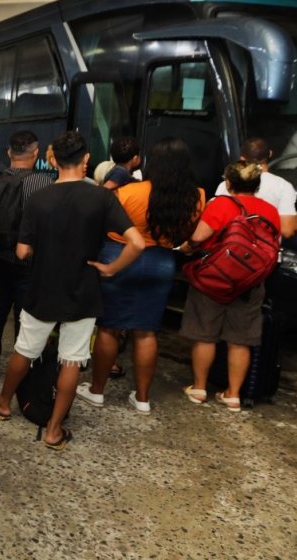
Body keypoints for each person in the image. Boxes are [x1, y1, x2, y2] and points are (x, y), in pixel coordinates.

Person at [0, 131, 145, 449]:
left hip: (42, 287)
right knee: (72, 360)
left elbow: (21, 252)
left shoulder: (38, 199)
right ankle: (54, 430)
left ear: (53, 160)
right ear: (86, 160)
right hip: (83, 289)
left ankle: (3, 403)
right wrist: (111, 268)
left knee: (25, 349)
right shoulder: (101, 197)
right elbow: (137, 243)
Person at [78, 137, 205, 413]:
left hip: (120, 256)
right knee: (146, 331)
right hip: (161, 262)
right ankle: (143, 399)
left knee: (110, 327)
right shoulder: (196, 197)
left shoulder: (129, 192)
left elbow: (104, 222)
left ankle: (97, 391)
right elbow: (193, 237)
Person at [179, 161, 281, 412]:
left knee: (205, 334)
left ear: (228, 183)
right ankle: (233, 395)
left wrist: (187, 247)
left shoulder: (221, 204)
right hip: (250, 282)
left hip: (214, 279)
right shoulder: (270, 211)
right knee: (240, 340)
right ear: (257, 185)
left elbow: (199, 237)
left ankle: (200, 388)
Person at [0, 131, 55, 382]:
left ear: (9, 153)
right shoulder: (43, 183)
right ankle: (23, 369)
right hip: (28, 260)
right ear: (35, 153)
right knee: (25, 316)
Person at [216, 137, 297, 238]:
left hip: (231, 249)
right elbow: (287, 231)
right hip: (264, 252)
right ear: (270, 153)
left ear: (242, 158)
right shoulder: (283, 186)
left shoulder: (227, 184)